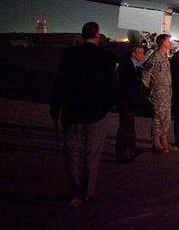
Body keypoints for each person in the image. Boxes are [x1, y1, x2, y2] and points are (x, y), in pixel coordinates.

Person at [50, 22, 117, 207]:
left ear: (82, 36)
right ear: (97, 35)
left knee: (72, 151)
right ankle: (88, 193)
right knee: (92, 153)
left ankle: (74, 191)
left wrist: (56, 108)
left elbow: (60, 83)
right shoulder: (106, 56)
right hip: (98, 112)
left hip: (73, 111)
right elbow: (112, 84)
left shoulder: (69, 54)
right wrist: (112, 106)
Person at [141, 33, 176, 154]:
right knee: (157, 117)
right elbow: (146, 73)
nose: (170, 43)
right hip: (157, 92)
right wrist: (148, 88)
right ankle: (156, 143)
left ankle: (164, 141)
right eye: (168, 41)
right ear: (162, 43)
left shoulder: (165, 56)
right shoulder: (155, 56)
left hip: (166, 93)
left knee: (166, 117)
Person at [115, 43, 145, 163]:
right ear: (134, 54)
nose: (143, 55)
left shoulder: (133, 65)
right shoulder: (127, 66)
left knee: (130, 126)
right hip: (126, 102)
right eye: (141, 53)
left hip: (129, 101)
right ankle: (121, 154)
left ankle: (133, 148)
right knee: (125, 128)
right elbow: (125, 86)